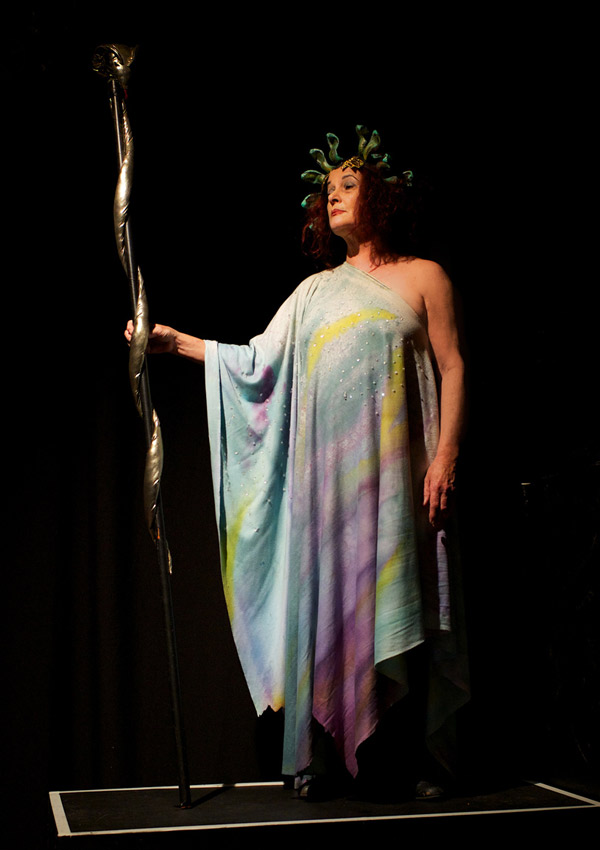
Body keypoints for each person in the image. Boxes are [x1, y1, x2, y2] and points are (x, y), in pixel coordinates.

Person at [125, 126, 469, 801]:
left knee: (409, 604)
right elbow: (257, 360)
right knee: (328, 611)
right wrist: (172, 341)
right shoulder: (314, 292)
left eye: (349, 184)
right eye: (328, 189)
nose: (334, 196)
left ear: (382, 195)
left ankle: (422, 760)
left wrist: (447, 455)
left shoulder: (425, 276)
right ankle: (318, 755)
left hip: (400, 483)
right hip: (330, 496)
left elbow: (453, 366)